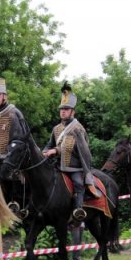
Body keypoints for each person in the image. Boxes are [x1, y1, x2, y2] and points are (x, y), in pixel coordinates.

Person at [43, 82, 96, 221]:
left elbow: (81, 151)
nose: (63, 111)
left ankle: (78, 210)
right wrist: (44, 152)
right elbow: (50, 144)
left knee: (78, 183)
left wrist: (56, 150)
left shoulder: (78, 129)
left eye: (66, 109)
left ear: (73, 112)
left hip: (75, 167)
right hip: (58, 167)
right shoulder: (56, 129)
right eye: (62, 109)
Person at [0, 74, 30, 212]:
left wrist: (6, 149)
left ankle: (14, 202)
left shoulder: (14, 113)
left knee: (8, 173)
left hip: (13, 156)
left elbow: (19, 138)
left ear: (5, 96)